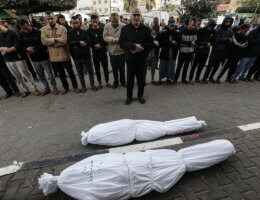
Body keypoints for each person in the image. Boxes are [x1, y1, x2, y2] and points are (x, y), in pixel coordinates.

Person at [119, 8, 153, 105]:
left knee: (141, 80)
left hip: (142, 60)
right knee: (130, 80)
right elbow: (122, 43)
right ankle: (129, 96)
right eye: (135, 15)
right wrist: (133, 46)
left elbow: (151, 44)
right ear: (131, 16)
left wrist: (141, 48)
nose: (136, 17)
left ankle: (140, 95)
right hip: (130, 59)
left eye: (138, 15)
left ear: (141, 16)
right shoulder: (125, 29)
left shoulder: (146, 29)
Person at [41, 11, 80, 95]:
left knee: (71, 73)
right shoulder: (44, 30)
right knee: (61, 74)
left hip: (64, 55)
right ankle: (65, 87)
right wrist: (56, 39)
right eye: (48, 19)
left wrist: (51, 42)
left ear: (54, 18)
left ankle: (75, 87)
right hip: (54, 57)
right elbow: (44, 42)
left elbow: (65, 41)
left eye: (51, 18)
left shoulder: (62, 28)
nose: (50, 21)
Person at [18, 18, 59, 96]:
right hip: (33, 59)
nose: (24, 30)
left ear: (28, 24)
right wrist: (27, 49)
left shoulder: (39, 32)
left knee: (50, 75)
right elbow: (21, 46)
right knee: (41, 75)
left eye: (25, 28)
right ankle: (47, 88)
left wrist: (35, 49)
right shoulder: (21, 34)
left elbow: (45, 44)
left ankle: (54, 88)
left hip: (44, 57)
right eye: (22, 28)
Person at [0, 21, 41, 97]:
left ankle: (35, 89)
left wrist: (7, 50)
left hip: (18, 58)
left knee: (26, 74)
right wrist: (3, 49)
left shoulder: (12, 32)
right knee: (17, 77)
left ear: (1, 24)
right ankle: (26, 90)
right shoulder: (1, 35)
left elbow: (17, 45)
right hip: (8, 60)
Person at [68, 16, 97, 92]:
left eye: (77, 23)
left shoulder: (85, 31)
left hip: (86, 55)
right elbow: (69, 42)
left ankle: (92, 85)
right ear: (72, 23)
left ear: (80, 23)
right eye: (74, 23)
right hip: (76, 56)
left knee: (90, 71)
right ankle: (83, 86)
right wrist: (79, 42)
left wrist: (81, 44)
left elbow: (88, 41)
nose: (76, 24)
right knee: (80, 73)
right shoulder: (70, 32)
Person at [202, 15, 233, 83]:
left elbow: (231, 39)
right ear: (224, 21)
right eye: (227, 21)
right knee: (210, 65)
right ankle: (205, 78)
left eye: (230, 22)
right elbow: (216, 40)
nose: (228, 23)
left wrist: (228, 41)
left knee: (217, 66)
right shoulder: (218, 29)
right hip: (216, 50)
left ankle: (211, 77)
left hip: (224, 51)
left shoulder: (230, 30)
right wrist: (227, 39)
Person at [189, 20, 216, 84]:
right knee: (194, 65)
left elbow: (214, 40)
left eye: (212, 27)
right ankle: (190, 79)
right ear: (207, 25)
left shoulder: (214, 32)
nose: (210, 28)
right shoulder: (201, 30)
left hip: (206, 51)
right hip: (199, 50)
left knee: (201, 66)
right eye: (209, 26)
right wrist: (205, 43)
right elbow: (197, 40)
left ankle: (197, 78)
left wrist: (210, 43)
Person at [103, 12, 126, 89]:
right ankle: (116, 82)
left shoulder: (123, 26)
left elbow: (127, 37)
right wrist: (114, 40)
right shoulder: (107, 26)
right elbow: (105, 37)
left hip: (121, 51)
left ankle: (123, 81)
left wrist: (121, 39)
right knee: (114, 69)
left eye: (116, 19)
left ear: (118, 18)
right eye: (113, 20)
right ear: (110, 19)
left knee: (122, 68)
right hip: (112, 52)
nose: (115, 21)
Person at [88, 14, 111, 89]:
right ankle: (100, 83)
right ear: (91, 21)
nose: (94, 22)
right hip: (95, 53)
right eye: (93, 21)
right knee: (97, 68)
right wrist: (94, 46)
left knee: (105, 68)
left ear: (98, 20)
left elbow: (106, 40)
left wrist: (100, 44)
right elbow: (88, 41)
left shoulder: (102, 29)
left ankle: (107, 82)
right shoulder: (89, 31)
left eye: (96, 20)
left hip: (103, 52)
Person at [175, 17, 197, 84]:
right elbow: (180, 42)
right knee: (179, 66)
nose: (193, 26)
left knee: (186, 66)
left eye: (194, 25)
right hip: (182, 51)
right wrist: (190, 43)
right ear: (189, 23)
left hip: (190, 52)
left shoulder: (195, 31)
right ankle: (175, 79)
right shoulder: (182, 30)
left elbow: (195, 41)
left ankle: (183, 79)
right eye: (192, 24)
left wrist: (193, 44)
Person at [158, 18, 179, 84]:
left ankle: (170, 79)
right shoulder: (164, 33)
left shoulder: (177, 33)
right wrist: (170, 42)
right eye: (171, 26)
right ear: (168, 25)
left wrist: (176, 43)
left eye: (173, 26)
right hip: (165, 52)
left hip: (173, 52)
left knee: (171, 66)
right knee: (163, 66)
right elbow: (160, 42)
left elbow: (179, 41)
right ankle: (160, 80)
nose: (172, 27)